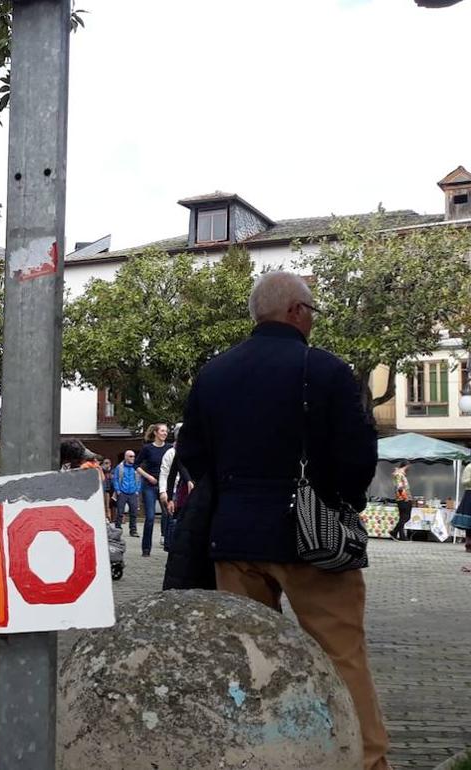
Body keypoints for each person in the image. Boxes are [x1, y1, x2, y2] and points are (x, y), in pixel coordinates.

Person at [177, 270, 389, 770]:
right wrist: (342, 500)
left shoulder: (214, 374)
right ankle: (366, 761)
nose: (312, 322)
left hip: (233, 538)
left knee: (249, 661)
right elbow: (358, 454)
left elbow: (193, 454)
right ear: (297, 311)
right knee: (341, 656)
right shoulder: (328, 370)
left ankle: (255, 758)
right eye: (311, 312)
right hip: (313, 540)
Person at [135, 424, 169, 556]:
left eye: (166, 431)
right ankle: (146, 549)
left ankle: (167, 544)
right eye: (162, 431)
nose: (165, 433)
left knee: (167, 514)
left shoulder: (169, 448)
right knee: (150, 517)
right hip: (150, 485)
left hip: (164, 485)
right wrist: (148, 476)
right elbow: (136, 465)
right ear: (155, 433)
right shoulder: (147, 448)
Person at [158, 429, 192, 550]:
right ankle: (171, 545)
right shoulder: (175, 453)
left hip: (196, 490)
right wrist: (169, 497)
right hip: (183, 491)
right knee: (176, 519)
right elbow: (170, 474)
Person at [112, 450, 142, 537]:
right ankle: (118, 530)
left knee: (134, 513)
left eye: (133, 456)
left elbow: (139, 479)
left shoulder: (136, 467)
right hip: (122, 492)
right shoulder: (119, 467)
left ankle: (133, 531)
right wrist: (118, 490)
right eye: (130, 456)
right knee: (120, 512)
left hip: (133, 493)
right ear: (125, 457)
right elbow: (116, 479)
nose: (133, 458)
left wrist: (137, 490)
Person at [390, 462, 411, 541]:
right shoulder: (399, 474)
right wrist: (405, 497)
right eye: (408, 467)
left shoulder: (400, 474)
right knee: (406, 517)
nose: (409, 469)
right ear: (405, 466)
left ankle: (401, 536)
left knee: (403, 517)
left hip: (403, 498)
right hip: (403, 498)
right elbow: (400, 487)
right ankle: (394, 532)